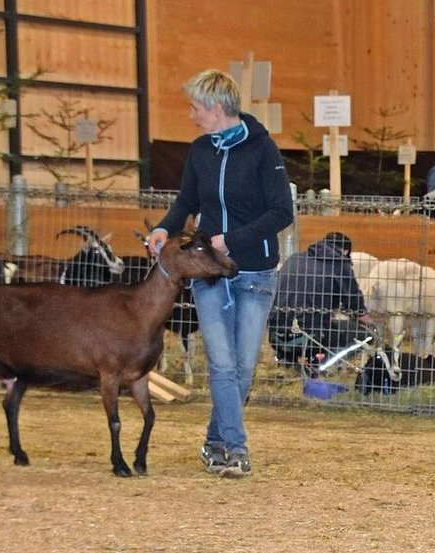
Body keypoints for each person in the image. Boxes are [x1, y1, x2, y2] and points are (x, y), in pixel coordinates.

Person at [147, 69, 293, 479]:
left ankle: (215, 438)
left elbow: (282, 212)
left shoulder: (264, 151)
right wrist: (163, 226)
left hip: (256, 273)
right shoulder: (199, 151)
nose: (191, 115)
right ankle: (235, 448)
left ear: (215, 107)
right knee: (224, 366)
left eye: (195, 107)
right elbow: (186, 203)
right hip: (208, 273)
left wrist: (232, 240)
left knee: (243, 369)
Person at [269, 232, 370, 374]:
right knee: (364, 335)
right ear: (346, 251)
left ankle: (286, 359)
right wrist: (371, 326)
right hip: (311, 338)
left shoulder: (294, 258)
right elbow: (355, 304)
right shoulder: (340, 264)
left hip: (276, 335)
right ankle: (318, 366)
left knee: (313, 321)